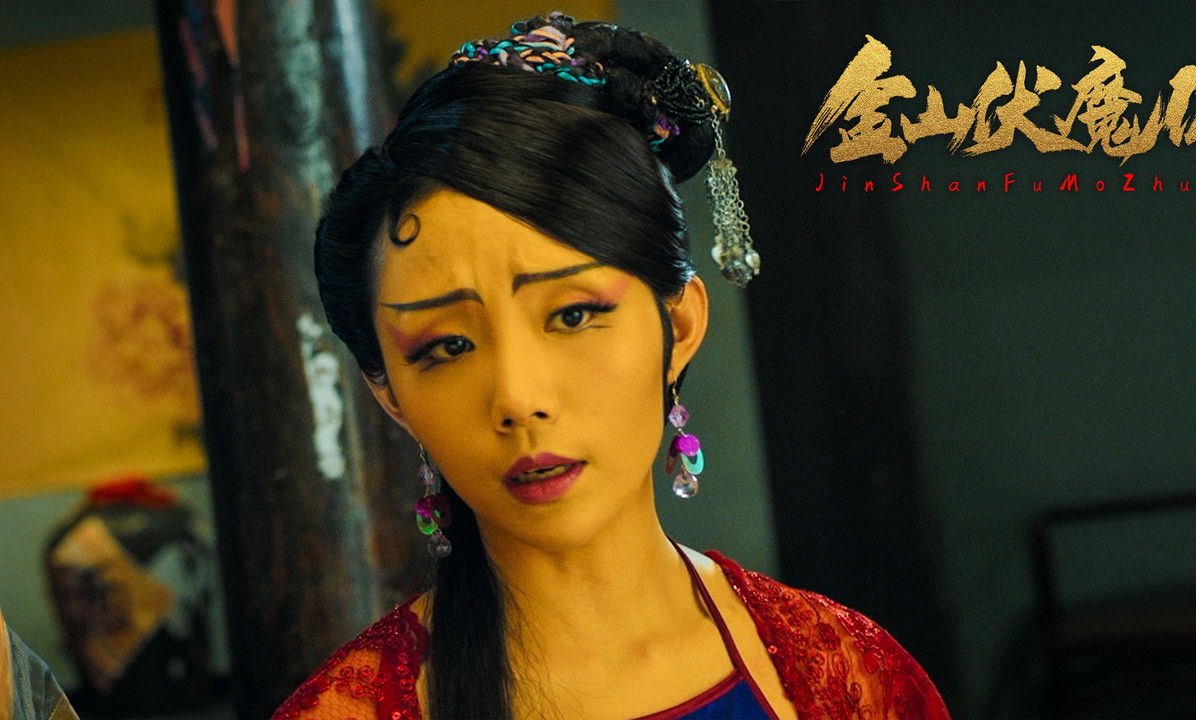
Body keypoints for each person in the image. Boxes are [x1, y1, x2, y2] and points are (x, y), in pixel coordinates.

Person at [273, 12, 949, 720]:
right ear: (388, 392)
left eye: (572, 315)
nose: (518, 399)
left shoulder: (849, 679)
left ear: (678, 326)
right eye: (448, 346)